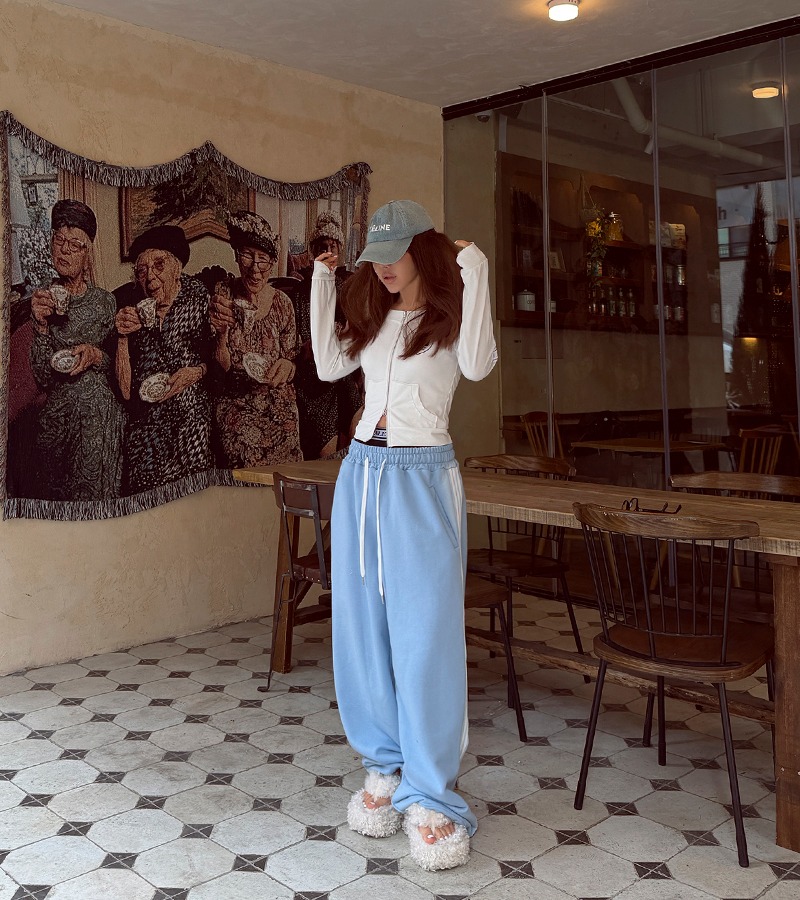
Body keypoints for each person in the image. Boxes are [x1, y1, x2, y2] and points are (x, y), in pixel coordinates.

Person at [311, 200, 497, 871]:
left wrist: (476, 269)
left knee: (426, 637)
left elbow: (480, 364)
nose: (385, 267)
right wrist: (322, 282)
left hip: (422, 478)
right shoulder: (374, 320)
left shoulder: (449, 323)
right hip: (362, 473)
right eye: (377, 257)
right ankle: (383, 767)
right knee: (362, 627)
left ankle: (431, 791)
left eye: (396, 254)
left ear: (423, 250)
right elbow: (328, 365)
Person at [29, 199, 124, 500]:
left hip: (100, 401)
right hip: (61, 404)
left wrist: (96, 356)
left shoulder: (105, 302)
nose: (64, 250)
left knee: (95, 406)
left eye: (74, 244)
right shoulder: (42, 300)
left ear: (87, 254)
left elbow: (116, 364)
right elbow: (43, 377)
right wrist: (40, 326)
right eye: (59, 240)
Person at [115, 224, 213, 494]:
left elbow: (216, 361)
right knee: (147, 492)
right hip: (148, 417)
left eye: (159, 265)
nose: (150, 277)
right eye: (142, 270)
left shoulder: (198, 297)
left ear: (177, 268)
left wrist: (196, 372)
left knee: (191, 491)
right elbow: (126, 391)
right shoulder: (129, 304)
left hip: (189, 409)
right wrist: (122, 337)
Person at [209, 210, 301, 468]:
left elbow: (291, 360)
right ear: (236, 256)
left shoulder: (283, 303)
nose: (255, 268)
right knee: (245, 448)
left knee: (288, 451)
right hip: (237, 398)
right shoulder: (224, 294)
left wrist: (288, 366)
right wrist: (221, 333)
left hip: (276, 396)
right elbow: (222, 367)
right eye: (248, 255)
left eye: (263, 259)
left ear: (272, 262)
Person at [292, 212, 362, 459]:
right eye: (322, 247)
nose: (328, 252)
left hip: (343, 370)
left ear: (339, 250)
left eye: (332, 247)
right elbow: (301, 339)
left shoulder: (348, 286)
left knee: (356, 417)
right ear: (313, 251)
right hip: (312, 375)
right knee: (325, 438)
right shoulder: (301, 291)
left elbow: (357, 330)